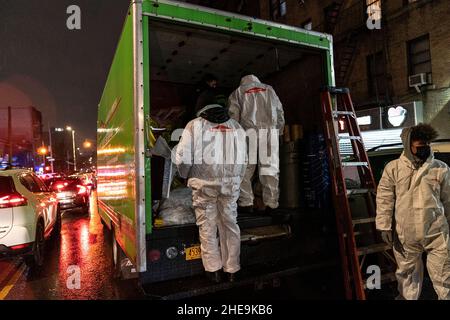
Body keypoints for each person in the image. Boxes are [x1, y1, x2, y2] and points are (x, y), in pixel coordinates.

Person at [174, 97, 247, 283]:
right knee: (230, 224)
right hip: (230, 186)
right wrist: (236, 178)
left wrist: (184, 175)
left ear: (201, 109)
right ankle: (232, 269)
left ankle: (213, 270)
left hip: (204, 185)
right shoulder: (236, 126)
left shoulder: (195, 125)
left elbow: (183, 158)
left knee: (208, 226)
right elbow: (245, 159)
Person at [376, 123, 450, 300]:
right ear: (408, 145)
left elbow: (448, 199)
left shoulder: (440, 168)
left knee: (444, 274)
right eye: (419, 146)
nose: (424, 150)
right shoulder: (393, 168)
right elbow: (384, 198)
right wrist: (384, 226)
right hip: (406, 233)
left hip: (436, 232)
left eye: (426, 146)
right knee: (407, 275)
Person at [228, 74, 284, 213]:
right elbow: (279, 111)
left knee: (246, 168)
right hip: (269, 131)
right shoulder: (269, 89)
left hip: (248, 132)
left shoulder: (238, 92)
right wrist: (280, 131)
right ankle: (271, 204)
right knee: (269, 167)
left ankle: (246, 203)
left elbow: (233, 115)